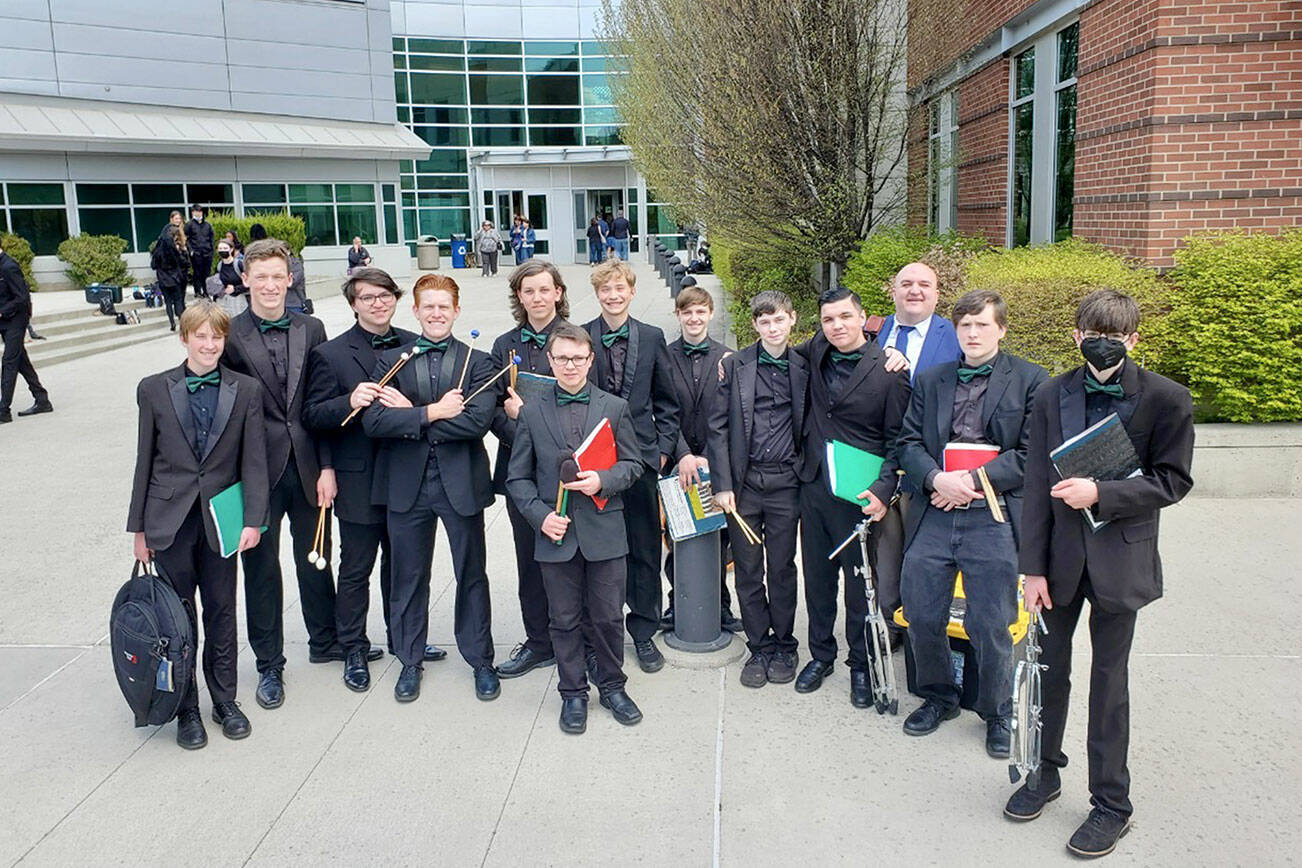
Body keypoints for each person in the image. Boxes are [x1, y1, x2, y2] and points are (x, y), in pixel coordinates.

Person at [1003, 289, 1194, 859]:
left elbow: (1172, 480)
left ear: (1134, 339)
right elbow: (1036, 482)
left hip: (1120, 560)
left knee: (1109, 684)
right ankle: (1044, 771)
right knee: (1049, 672)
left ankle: (1111, 803)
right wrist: (1031, 567)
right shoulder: (1050, 393)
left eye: (1114, 334)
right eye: (1091, 332)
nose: (1101, 341)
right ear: (1076, 335)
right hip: (1059, 560)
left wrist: (1102, 493)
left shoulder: (1167, 398)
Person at [895, 290, 1047, 755]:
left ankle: (997, 711)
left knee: (991, 622)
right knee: (921, 613)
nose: (973, 333)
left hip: (993, 515)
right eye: (965, 325)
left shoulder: (1030, 379)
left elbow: (1030, 453)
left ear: (1001, 328)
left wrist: (973, 481)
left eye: (982, 325)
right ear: (955, 330)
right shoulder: (933, 379)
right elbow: (908, 441)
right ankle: (939, 697)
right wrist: (938, 479)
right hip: (936, 510)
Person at [127, 301, 267, 749]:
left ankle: (224, 699)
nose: (209, 345)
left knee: (222, 610)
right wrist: (139, 531)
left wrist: (254, 520)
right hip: (168, 520)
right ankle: (185, 706)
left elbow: (255, 462)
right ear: (184, 338)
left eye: (217, 337)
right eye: (201, 336)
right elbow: (143, 461)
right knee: (177, 617)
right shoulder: (152, 389)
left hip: (220, 521)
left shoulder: (245, 390)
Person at [303, 268, 445, 693]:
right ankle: (352, 647)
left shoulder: (414, 344)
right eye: (367, 297)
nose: (377, 303)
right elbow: (313, 416)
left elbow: (427, 403)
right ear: (353, 304)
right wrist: (349, 401)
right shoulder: (330, 354)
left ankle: (404, 639)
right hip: (358, 476)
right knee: (357, 566)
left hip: (406, 472)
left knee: (404, 565)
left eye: (385, 296)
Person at [219, 238, 347, 711]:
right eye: (261, 276)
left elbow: (322, 403)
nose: (270, 285)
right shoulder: (228, 333)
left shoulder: (312, 328)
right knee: (261, 570)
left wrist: (329, 465)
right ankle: (269, 664)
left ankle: (325, 639)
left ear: (289, 279)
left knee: (317, 558)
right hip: (256, 472)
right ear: (245, 279)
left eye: (278, 276)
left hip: (311, 465)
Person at [363, 274, 499, 703]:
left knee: (471, 574)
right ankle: (409, 659)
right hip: (407, 486)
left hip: (460, 483)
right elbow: (375, 422)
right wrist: (433, 413)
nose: (436, 313)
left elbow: (477, 421)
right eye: (429, 306)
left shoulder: (477, 362)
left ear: (456, 311)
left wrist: (413, 417)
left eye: (444, 306)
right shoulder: (393, 362)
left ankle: (480, 659)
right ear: (416, 311)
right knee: (408, 577)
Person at [506, 323, 646, 734]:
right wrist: (540, 516)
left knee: (606, 618)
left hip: (604, 532)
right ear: (550, 361)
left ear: (591, 360)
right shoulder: (531, 412)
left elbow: (633, 465)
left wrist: (604, 480)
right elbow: (518, 478)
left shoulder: (614, 408)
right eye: (562, 358)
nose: (571, 365)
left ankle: (613, 686)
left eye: (578, 358)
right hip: (556, 533)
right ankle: (572, 693)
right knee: (563, 619)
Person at [792, 286, 910, 706]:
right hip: (814, 486)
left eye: (845, 317)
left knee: (861, 585)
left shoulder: (891, 370)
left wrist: (883, 491)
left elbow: (899, 440)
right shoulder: (815, 351)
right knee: (817, 579)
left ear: (864, 318)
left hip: (860, 493)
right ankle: (821, 655)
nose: (837, 326)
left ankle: (859, 664)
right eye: (828, 320)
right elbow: (774, 345)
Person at [583, 260, 680, 673]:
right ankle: (600, 633)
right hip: (595, 462)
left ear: (632, 291)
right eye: (605, 289)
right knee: (600, 552)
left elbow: (668, 402)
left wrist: (661, 450)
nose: (613, 295)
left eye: (619, 288)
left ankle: (643, 631)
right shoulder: (581, 336)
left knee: (643, 547)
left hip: (640, 459)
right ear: (597, 293)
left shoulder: (653, 337)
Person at [708, 290, 808, 687]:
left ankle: (785, 643)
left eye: (779, 320)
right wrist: (723, 484)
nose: (772, 328)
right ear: (754, 325)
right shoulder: (735, 365)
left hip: (787, 482)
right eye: (764, 322)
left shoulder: (805, 364)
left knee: (782, 567)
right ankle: (759, 646)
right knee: (748, 570)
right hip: (745, 485)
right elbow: (717, 427)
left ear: (792, 320)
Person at [873, 262, 966, 636]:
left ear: (937, 293)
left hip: (930, 469)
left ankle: (921, 631)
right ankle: (886, 627)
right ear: (892, 291)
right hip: (876, 464)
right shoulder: (871, 332)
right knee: (882, 554)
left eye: (924, 284)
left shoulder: (957, 336)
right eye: (906, 284)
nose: (915, 290)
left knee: (925, 558)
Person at [490, 260, 571, 679]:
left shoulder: (579, 339)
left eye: (544, 290)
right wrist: (520, 424)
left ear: (558, 292)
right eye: (528, 291)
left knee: (576, 559)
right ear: (519, 297)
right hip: (521, 473)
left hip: (569, 472)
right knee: (530, 561)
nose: (537, 298)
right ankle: (539, 642)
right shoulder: (504, 345)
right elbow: (490, 410)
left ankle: (578, 640)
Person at [662, 285, 740, 633]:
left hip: (715, 461)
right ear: (678, 315)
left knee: (717, 536)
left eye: (700, 312)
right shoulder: (663, 357)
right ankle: (676, 601)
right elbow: (663, 411)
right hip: (676, 462)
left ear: (709, 314)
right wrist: (682, 455)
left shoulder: (728, 358)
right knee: (676, 532)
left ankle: (720, 604)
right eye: (687, 312)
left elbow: (731, 415)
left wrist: (709, 457)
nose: (694, 318)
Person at [0, 238, 52, 424]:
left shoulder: (8, 266)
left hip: (16, 319)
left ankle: (3, 410)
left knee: (9, 361)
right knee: (20, 360)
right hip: (5, 321)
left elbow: (21, 297)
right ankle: (42, 399)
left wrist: (2, 311)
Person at [153, 225, 190, 332]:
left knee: (168, 302)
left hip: (163, 278)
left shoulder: (158, 249)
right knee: (178, 300)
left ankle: (172, 323)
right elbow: (183, 262)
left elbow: (153, 265)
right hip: (174, 277)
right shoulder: (173, 249)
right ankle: (181, 321)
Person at [185, 205, 215, 299]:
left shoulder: (207, 225)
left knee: (206, 273)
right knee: (197, 273)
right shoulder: (189, 225)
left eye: (199, 211)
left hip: (207, 252)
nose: (198, 213)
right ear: (192, 213)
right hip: (196, 253)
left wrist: (211, 249)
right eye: (195, 211)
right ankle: (197, 291)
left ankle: (206, 292)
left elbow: (211, 237)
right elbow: (186, 239)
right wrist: (191, 250)